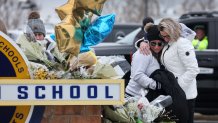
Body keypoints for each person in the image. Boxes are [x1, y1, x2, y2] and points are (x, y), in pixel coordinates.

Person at [138, 18, 199, 123]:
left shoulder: (182, 43)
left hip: (185, 95)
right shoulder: (169, 43)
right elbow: (152, 34)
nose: (165, 39)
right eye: (163, 36)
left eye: (167, 36)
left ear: (173, 31)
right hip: (173, 94)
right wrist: (142, 42)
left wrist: (177, 86)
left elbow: (193, 69)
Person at [125, 23, 164, 98]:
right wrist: (156, 85)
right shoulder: (144, 53)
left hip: (145, 97)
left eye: (159, 44)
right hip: (134, 97)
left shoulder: (158, 54)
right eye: (153, 43)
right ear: (148, 42)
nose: (156, 47)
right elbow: (138, 75)